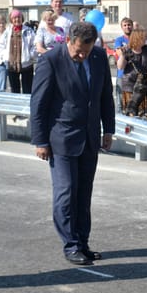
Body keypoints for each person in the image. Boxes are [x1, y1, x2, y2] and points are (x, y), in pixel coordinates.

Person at [30, 22, 115, 265]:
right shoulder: (51, 60)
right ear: (69, 40)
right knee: (66, 192)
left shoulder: (98, 56)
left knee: (83, 193)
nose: (82, 55)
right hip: (62, 137)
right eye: (78, 50)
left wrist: (108, 128)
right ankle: (70, 244)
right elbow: (39, 103)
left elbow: (105, 95)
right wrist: (40, 140)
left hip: (89, 136)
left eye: (86, 51)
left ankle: (82, 242)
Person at [116, 28, 147, 118]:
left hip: (144, 85)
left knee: (144, 114)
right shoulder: (127, 51)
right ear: (137, 38)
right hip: (130, 86)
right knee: (131, 112)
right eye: (143, 37)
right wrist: (122, 55)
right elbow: (120, 67)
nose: (145, 39)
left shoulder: (146, 49)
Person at [0, 9, 36, 94]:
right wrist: (5, 56)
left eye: (18, 17)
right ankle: (16, 106)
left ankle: (27, 105)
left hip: (27, 65)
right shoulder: (7, 31)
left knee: (28, 89)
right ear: (11, 19)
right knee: (15, 90)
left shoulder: (29, 31)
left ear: (22, 18)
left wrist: (30, 55)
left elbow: (35, 45)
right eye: (14, 18)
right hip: (12, 65)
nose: (17, 19)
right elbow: (1, 46)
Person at [114, 17, 133, 111]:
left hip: (133, 75)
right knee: (120, 101)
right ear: (122, 27)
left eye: (129, 25)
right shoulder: (119, 40)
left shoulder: (136, 39)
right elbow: (119, 53)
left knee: (132, 101)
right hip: (122, 74)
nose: (127, 27)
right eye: (125, 25)